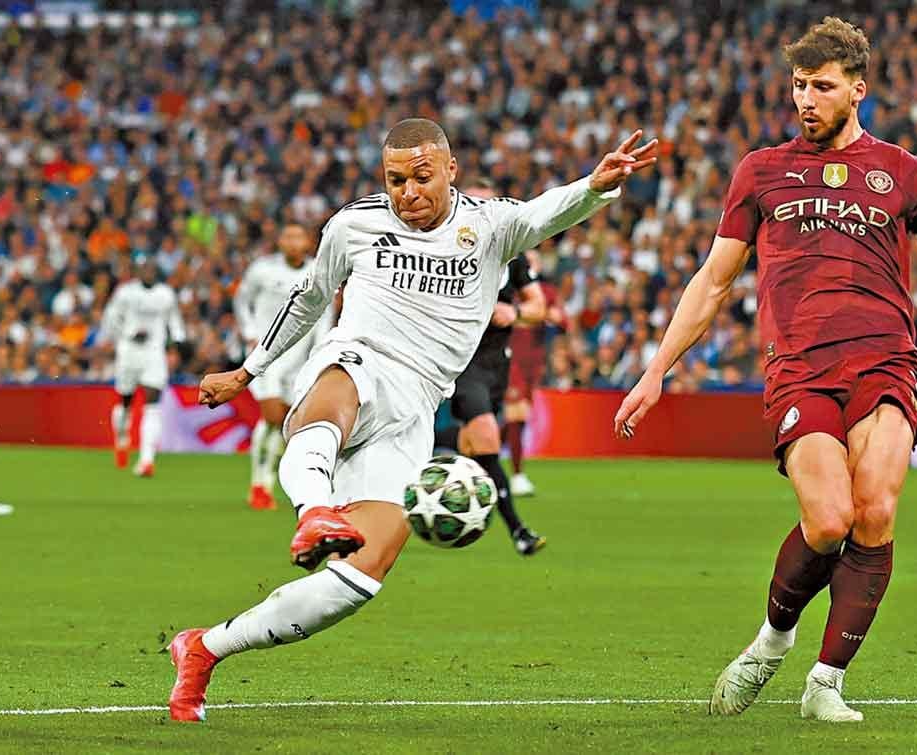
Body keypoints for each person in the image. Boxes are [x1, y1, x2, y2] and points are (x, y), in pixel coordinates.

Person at [614, 18, 917, 723]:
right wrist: (657, 369)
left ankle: (826, 682)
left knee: (875, 514)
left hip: (886, 362)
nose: (806, 99)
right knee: (828, 519)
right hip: (800, 367)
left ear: (857, 90)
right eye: (799, 85)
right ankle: (771, 643)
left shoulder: (905, 173)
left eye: (822, 87)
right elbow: (714, 280)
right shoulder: (761, 171)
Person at [166, 118, 657, 722]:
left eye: (422, 177)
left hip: (415, 409)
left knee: (359, 580)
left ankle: (205, 648)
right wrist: (247, 372)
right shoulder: (353, 225)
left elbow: (544, 212)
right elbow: (310, 298)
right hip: (358, 358)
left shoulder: (489, 225)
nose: (408, 192)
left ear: (451, 170)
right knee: (337, 396)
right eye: (396, 180)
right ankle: (312, 511)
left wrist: (596, 185)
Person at [441, 182, 549, 554]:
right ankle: (518, 530)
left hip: (496, 365)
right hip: (462, 360)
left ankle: (438, 487)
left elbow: (539, 307)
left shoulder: (512, 257)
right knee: (487, 436)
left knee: (474, 446)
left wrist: (514, 312)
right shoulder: (443, 252)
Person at [234, 224, 332, 510]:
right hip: (265, 356)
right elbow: (242, 300)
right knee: (272, 415)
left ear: (307, 242)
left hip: (298, 360)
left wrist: (320, 350)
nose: (292, 242)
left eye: (297, 237)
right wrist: (249, 332)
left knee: (286, 423)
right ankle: (258, 483)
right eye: (287, 237)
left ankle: (265, 483)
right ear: (279, 241)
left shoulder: (318, 271)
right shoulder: (262, 270)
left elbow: (325, 314)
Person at [99, 254, 186, 477]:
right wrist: (125, 334)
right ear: (137, 271)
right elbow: (110, 318)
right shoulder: (126, 292)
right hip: (129, 351)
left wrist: (175, 346)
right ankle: (122, 437)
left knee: (152, 402)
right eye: (143, 268)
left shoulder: (165, 294)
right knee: (125, 401)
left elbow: (175, 321)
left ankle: (147, 460)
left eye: (150, 267)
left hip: (154, 352)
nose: (148, 271)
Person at [504, 249, 566, 498]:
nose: (530, 264)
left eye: (534, 261)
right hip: (510, 359)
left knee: (517, 419)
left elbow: (563, 322)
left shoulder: (546, 292)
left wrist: (552, 315)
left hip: (534, 364)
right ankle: (517, 476)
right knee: (515, 414)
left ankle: (479, 460)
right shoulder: (507, 289)